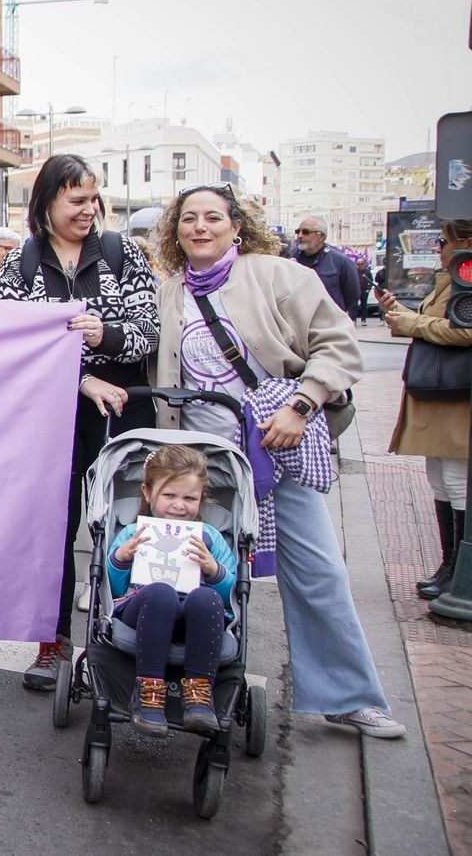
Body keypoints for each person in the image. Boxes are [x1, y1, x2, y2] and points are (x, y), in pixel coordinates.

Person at [150, 183, 404, 738]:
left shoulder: (281, 277)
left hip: (275, 449)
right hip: (203, 463)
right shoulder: (171, 292)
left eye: (212, 217)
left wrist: (301, 404)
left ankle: (349, 695)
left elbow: (338, 347)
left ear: (236, 226)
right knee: (196, 572)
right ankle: (187, 682)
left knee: (317, 572)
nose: (199, 228)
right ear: (175, 232)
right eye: (188, 219)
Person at [0, 154, 159, 691]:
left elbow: (148, 330)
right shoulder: (21, 263)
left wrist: (102, 336)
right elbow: (9, 341)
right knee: (54, 530)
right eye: (77, 200)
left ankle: (132, 642)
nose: (90, 210)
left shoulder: (121, 252)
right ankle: (52, 641)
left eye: (94, 199)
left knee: (126, 525)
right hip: (51, 412)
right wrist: (78, 378)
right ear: (47, 203)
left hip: (124, 406)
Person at [107, 445, 237, 736]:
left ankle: (199, 692)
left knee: (206, 597)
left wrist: (213, 570)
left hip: (195, 618)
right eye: (169, 495)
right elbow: (111, 590)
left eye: (189, 498)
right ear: (148, 492)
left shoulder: (210, 538)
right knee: (161, 592)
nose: (179, 505)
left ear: (201, 498)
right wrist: (122, 559)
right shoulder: (133, 533)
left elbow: (232, 594)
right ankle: (149, 688)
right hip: (145, 610)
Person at [380, 220, 472, 599]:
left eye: (444, 241)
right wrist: (402, 314)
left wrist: (412, 322)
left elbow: (465, 330)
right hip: (440, 392)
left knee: (456, 479)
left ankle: (460, 572)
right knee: (440, 478)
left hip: (456, 394)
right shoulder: (452, 276)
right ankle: (449, 565)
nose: (439, 248)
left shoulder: (464, 273)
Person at [291, 216, 360, 316]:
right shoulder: (290, 259)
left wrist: (334, 313)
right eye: (298, 232)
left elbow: (352, 296)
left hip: (328, 324)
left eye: (306, 232)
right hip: (297, 322)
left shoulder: (341, 261)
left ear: (321, 237)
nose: (300, 236)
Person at [354, 254, 374, 323]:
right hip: (356, 290)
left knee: (364, 305)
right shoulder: (354, 271)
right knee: (354, 305)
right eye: (358, 264)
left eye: (361, 264)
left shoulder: (367, 272)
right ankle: (353, 319)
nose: (360, 265)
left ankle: (363, 319)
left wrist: (368, 289)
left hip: (364, 290)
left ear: (364, 264)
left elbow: (371, 281)